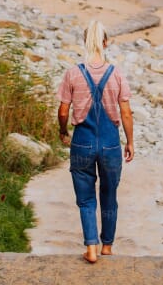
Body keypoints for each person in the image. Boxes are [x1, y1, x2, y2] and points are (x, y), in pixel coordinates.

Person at [57, 20, 135, 263]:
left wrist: (63, 131)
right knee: (109, 194)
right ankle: (107, 247)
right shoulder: (117, 74)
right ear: (105, 42)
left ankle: (91, 246)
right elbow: (126, 113)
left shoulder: (73, 73)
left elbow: (62, 111)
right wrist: (129, 142)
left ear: (84, 42)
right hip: (110, 142)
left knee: (86, 197)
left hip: (83, 140)